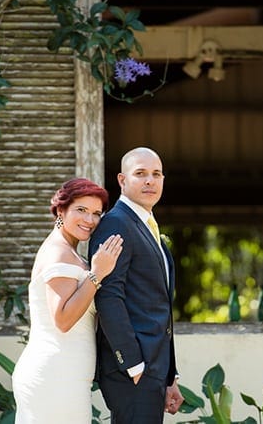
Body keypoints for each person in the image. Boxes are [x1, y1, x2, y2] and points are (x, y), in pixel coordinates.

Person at [12, 178, 123, 424]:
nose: (89, 220)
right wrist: (97, 274)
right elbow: (62, 319)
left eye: (96, 213)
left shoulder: (71, 253)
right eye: (81, 210)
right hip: (54, 376)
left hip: (68, 376)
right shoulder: (57, 252)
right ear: (61, 210)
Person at [89, 147, 184, 424]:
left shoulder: (146, 225)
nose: (149, 181)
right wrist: (132, 364)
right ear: (122, 180)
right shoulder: (116, 224)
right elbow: (108, 295)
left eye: (156, 174)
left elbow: (159, 307)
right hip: (131, 371)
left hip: (152, 370)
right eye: (140, 174)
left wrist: (168, 376)